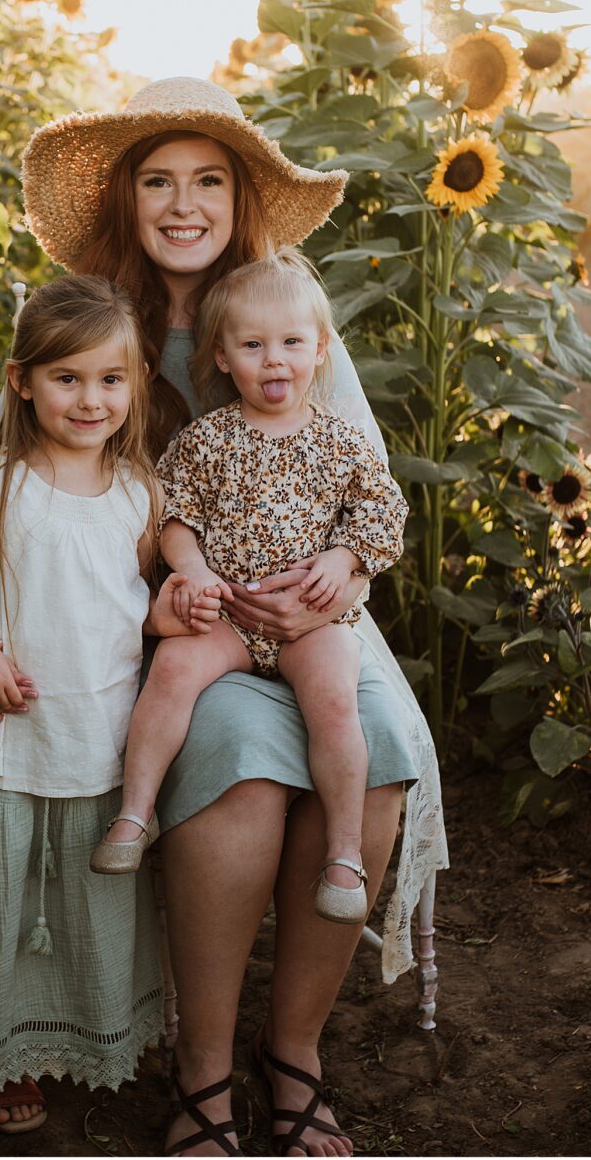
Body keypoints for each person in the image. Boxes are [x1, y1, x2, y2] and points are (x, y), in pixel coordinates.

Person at [0, 76, 451, 1157]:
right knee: (243, 768)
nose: (183, 203)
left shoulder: (282, 307)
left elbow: (362, 480)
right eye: (157, 180)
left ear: (241, 196)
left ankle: (292, 1052)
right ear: (125, 197)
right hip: (162, 611)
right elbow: (29, 491)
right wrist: (160, 585)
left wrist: (344, 568)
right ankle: (201, 1067)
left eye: (207, 179)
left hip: (310, 608)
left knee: (378, 749)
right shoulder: (92, 316)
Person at [0, 274, 199, 1136]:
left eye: (110, 379)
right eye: (67, 378)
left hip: (96, 744)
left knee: (73, 911)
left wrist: (172, 611)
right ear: (21, 380)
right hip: (10, 746)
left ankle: (42, 1032)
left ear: (136, 382)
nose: (91, 399)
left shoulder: (140, 493)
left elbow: (125, 604)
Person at [90, 252, 410, 936]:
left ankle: (344, 855)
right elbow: (175, 517)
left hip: (313, 621)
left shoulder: (342, 442)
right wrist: (193, 571)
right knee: (174, 668)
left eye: (292, 342)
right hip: (229, 613)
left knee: (336, 700)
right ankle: (134, 813)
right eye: (253, 345)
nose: (274, 360)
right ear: (223, 357)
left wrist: (345, 556)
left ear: (319, 350)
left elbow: (384, 513)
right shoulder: (208, 440)